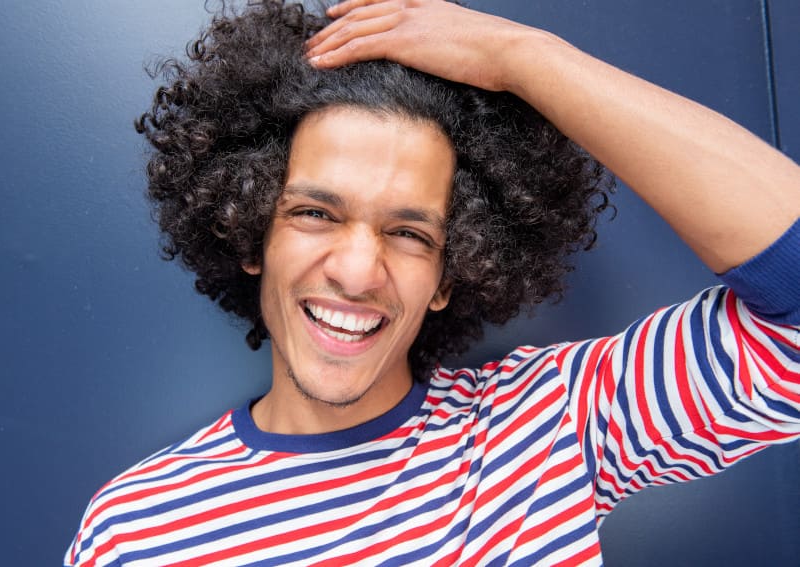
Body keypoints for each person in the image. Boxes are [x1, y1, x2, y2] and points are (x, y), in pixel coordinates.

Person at [66, 0, 800, 565]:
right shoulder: (136, 527)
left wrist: (521, 57)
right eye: (316, 213)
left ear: (451, 272)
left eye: (410, 233)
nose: (357, 271)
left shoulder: (548, 425)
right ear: (251, 232)